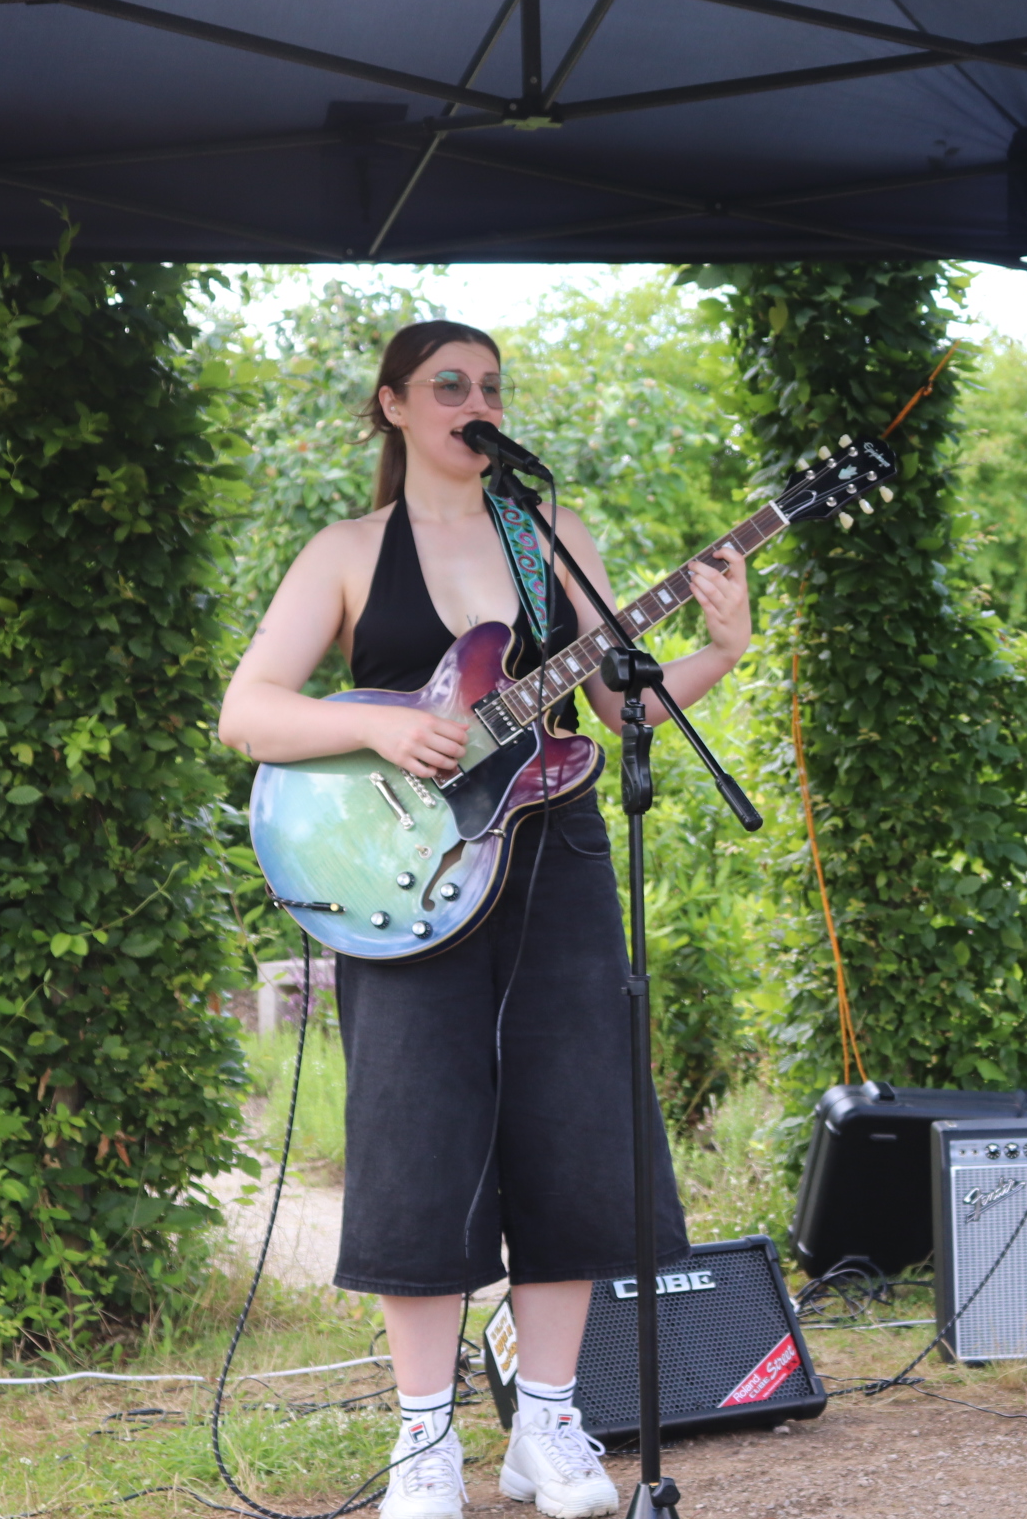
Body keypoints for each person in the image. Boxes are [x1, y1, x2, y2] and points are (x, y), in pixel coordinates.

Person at [218, 320, 751, 1519]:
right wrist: (377, 724)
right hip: (403, 879)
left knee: (574, 1131)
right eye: (450, 384)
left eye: (492, 386)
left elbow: (620, 710)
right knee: (417, 1140)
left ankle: (547, 1425)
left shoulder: (549, 533)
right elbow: (248, 711)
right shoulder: (349, 550)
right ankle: (423, 1440)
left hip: (557, 857)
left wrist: (722, 646)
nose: (477, 402)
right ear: (395, 405)